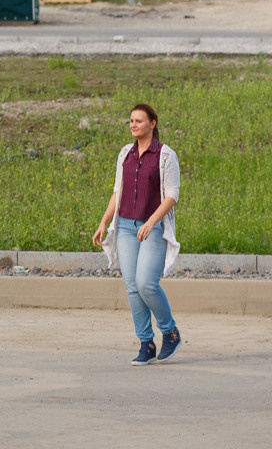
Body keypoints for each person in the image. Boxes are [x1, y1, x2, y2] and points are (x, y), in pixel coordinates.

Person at [92, 103, 183, 366]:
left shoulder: (165, 156)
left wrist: (151, 221)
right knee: (132, 286)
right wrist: (103, 222)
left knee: (146, 283)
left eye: (139, 121)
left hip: (153, 227)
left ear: (153, 123)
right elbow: (118, 192)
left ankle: (170, 332)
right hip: (125, 227)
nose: (133, 125)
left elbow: (172, 196)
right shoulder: (125, 154)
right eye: (131, 121)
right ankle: (146, 343)